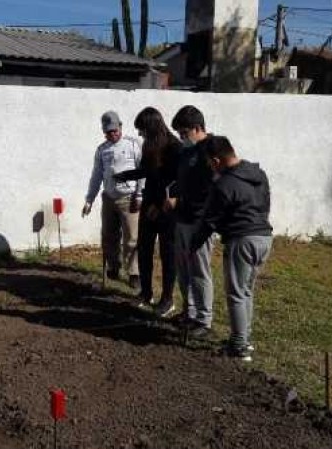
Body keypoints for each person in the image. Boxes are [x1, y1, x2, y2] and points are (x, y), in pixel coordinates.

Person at [191, 136, 272, 362]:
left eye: (210, 163)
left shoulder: (224, 184)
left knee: (236, 293)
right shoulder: (258, 174)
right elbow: (266, 202)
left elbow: (210, 221)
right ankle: (244, 338)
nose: (210, 167)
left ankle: (238, 346)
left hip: (242, 240)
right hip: (264, 237)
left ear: (217, 160)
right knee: (246, 290)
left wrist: (193, 244)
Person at [112, 107, 182, 313]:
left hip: (166, 209)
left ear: (151, 127)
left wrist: (159, 207)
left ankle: (167, 299)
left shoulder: (174, 147)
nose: (140, 134)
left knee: (168, 253)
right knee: (144, 250)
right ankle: (146, 292)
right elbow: (147, 171)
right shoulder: (150, 146)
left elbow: (174, 181)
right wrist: (125, 176)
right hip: (149, 205)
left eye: (142, 130)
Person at [167, 105, 215, 337]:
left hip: (200, 222)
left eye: (184, 133)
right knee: (183, 269)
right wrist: (174, 194)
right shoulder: (187, 152)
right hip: (182, 219)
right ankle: (190, 310)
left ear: (197, 128)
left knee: (199, 271)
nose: (181, 138)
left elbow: (212, 188)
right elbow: (181, 181)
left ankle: (204, 320)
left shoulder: (211, 150)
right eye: (179, 134)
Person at [83, 111, 143, 288]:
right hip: (109, 198)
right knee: (109, 235)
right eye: (108, 132)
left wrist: (139, 194)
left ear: (121, 127)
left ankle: (134, 272)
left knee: (132, 237)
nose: (112, 134)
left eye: (115, 130)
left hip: (129, 198)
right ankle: (113, 266)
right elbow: (96, 175)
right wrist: (89, 199)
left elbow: (142, 171)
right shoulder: (102, 150)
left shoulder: (133, 144)